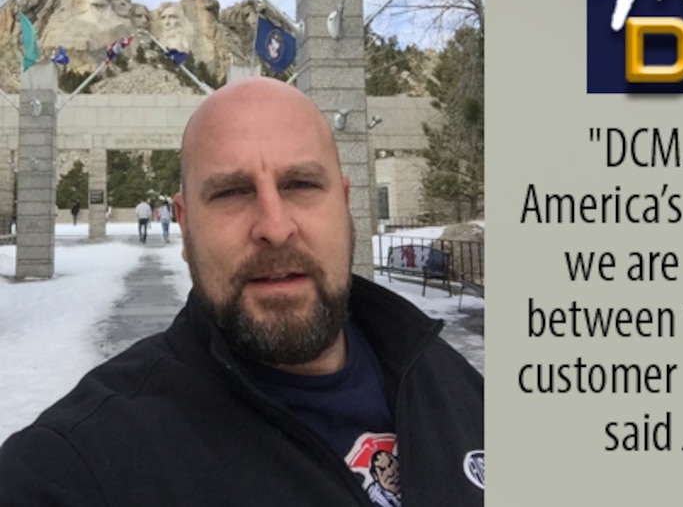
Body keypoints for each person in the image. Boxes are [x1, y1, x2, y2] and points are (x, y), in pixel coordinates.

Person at [0, 77, 484, 505]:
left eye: (300, 183)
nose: (275, 228)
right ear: (185, 226)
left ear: (344, 203)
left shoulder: (449, 378)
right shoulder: (82, 460)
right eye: (231, 192)